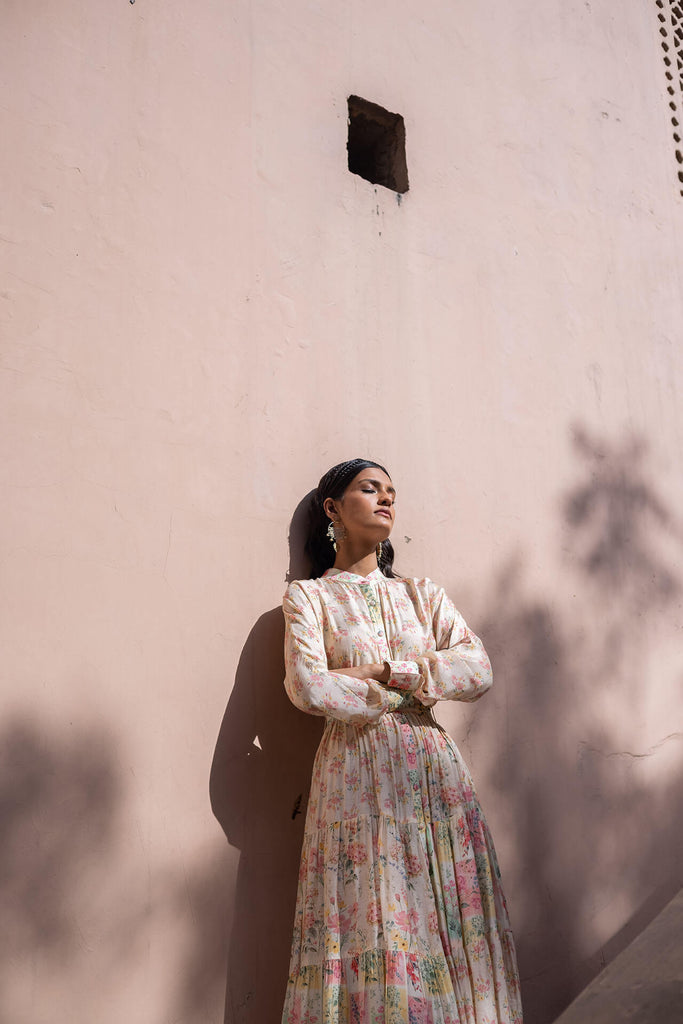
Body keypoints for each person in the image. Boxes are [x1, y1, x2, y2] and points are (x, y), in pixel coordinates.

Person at [281, 458, 523, 1024]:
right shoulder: (308, 599)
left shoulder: (422, 595)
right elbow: (308, 687)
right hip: (356, 774)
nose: (386, 499)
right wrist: (412, 682)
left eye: (391, 491)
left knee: (448, 914)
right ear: (333, 509)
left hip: (435, 776)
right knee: (375, 910)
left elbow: (478, 670)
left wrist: (385, 671)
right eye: (370, 489)